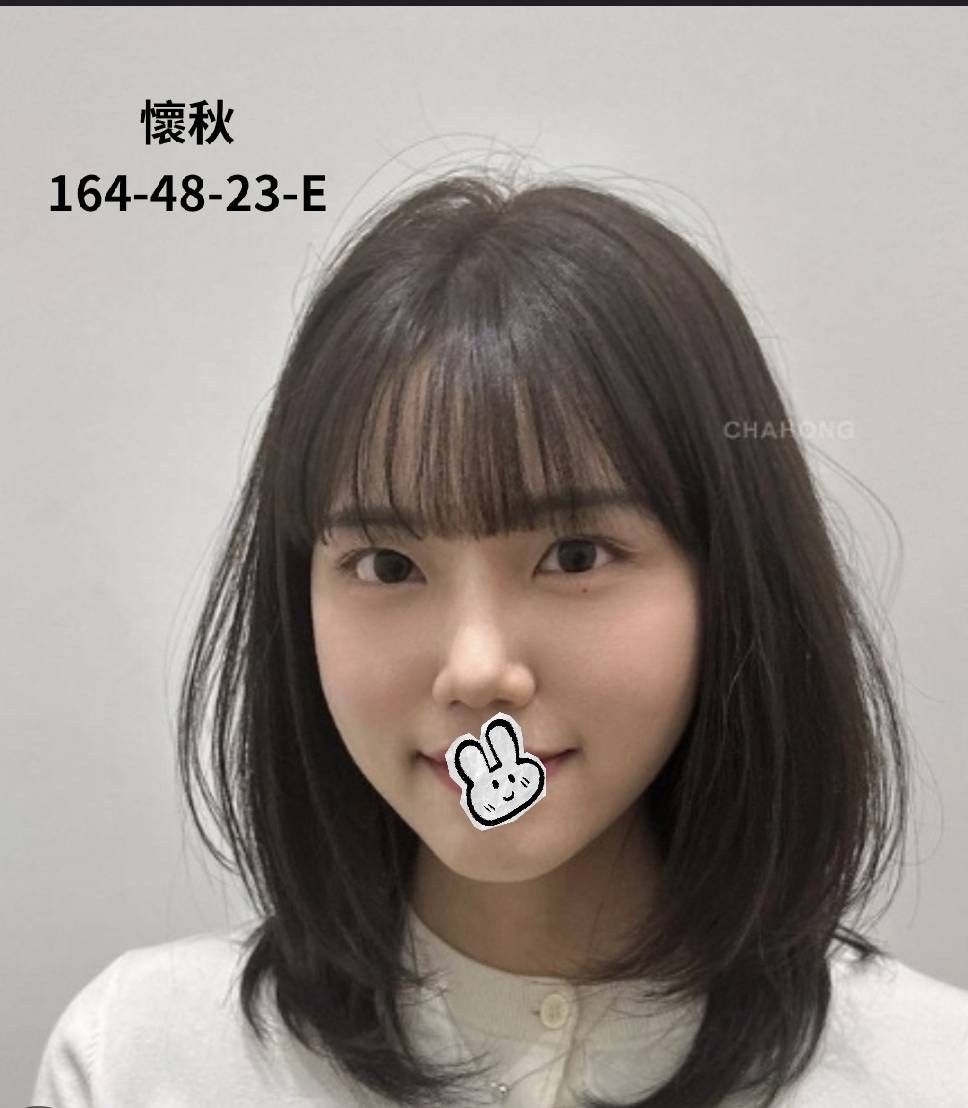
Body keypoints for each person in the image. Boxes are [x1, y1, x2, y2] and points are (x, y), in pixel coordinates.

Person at [31, 169, 968, 1108]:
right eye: (387, 565)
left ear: (731, 580)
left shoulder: (930, 1073)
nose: (476, 669)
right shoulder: (140, 1062)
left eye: (574, 555)